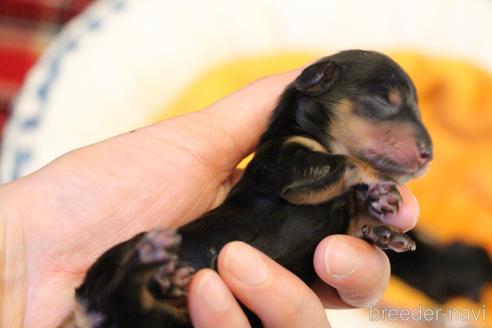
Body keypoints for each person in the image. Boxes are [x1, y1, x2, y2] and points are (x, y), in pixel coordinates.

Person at [0, 69, 419, 328]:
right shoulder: (287, 150)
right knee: (137, 279)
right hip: (157, 272)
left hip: (185, 303)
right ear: (319, 84)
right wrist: (358, 174)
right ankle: (135, 288)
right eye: (383, 105)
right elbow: (300, 185)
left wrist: (368, 225)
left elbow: (327, 232)